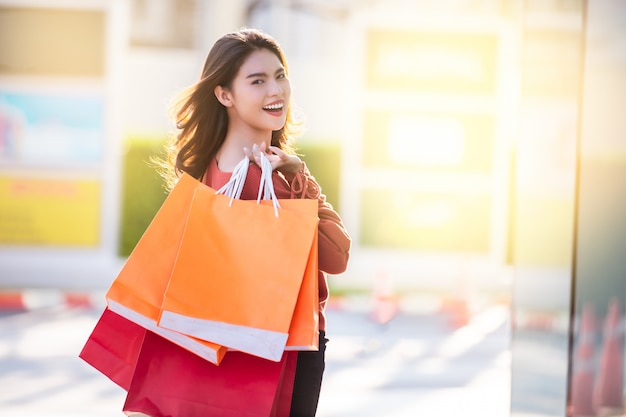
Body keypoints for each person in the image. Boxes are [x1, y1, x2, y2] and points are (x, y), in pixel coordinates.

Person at [159, 28, 351, 416]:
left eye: (280, 75)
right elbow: (337, 255)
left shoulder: (209, 171)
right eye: (257, 80)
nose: (275, 90)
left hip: (228, 348)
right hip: (283, 351)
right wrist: (302, 179)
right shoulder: (262, 182)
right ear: (224, 94)